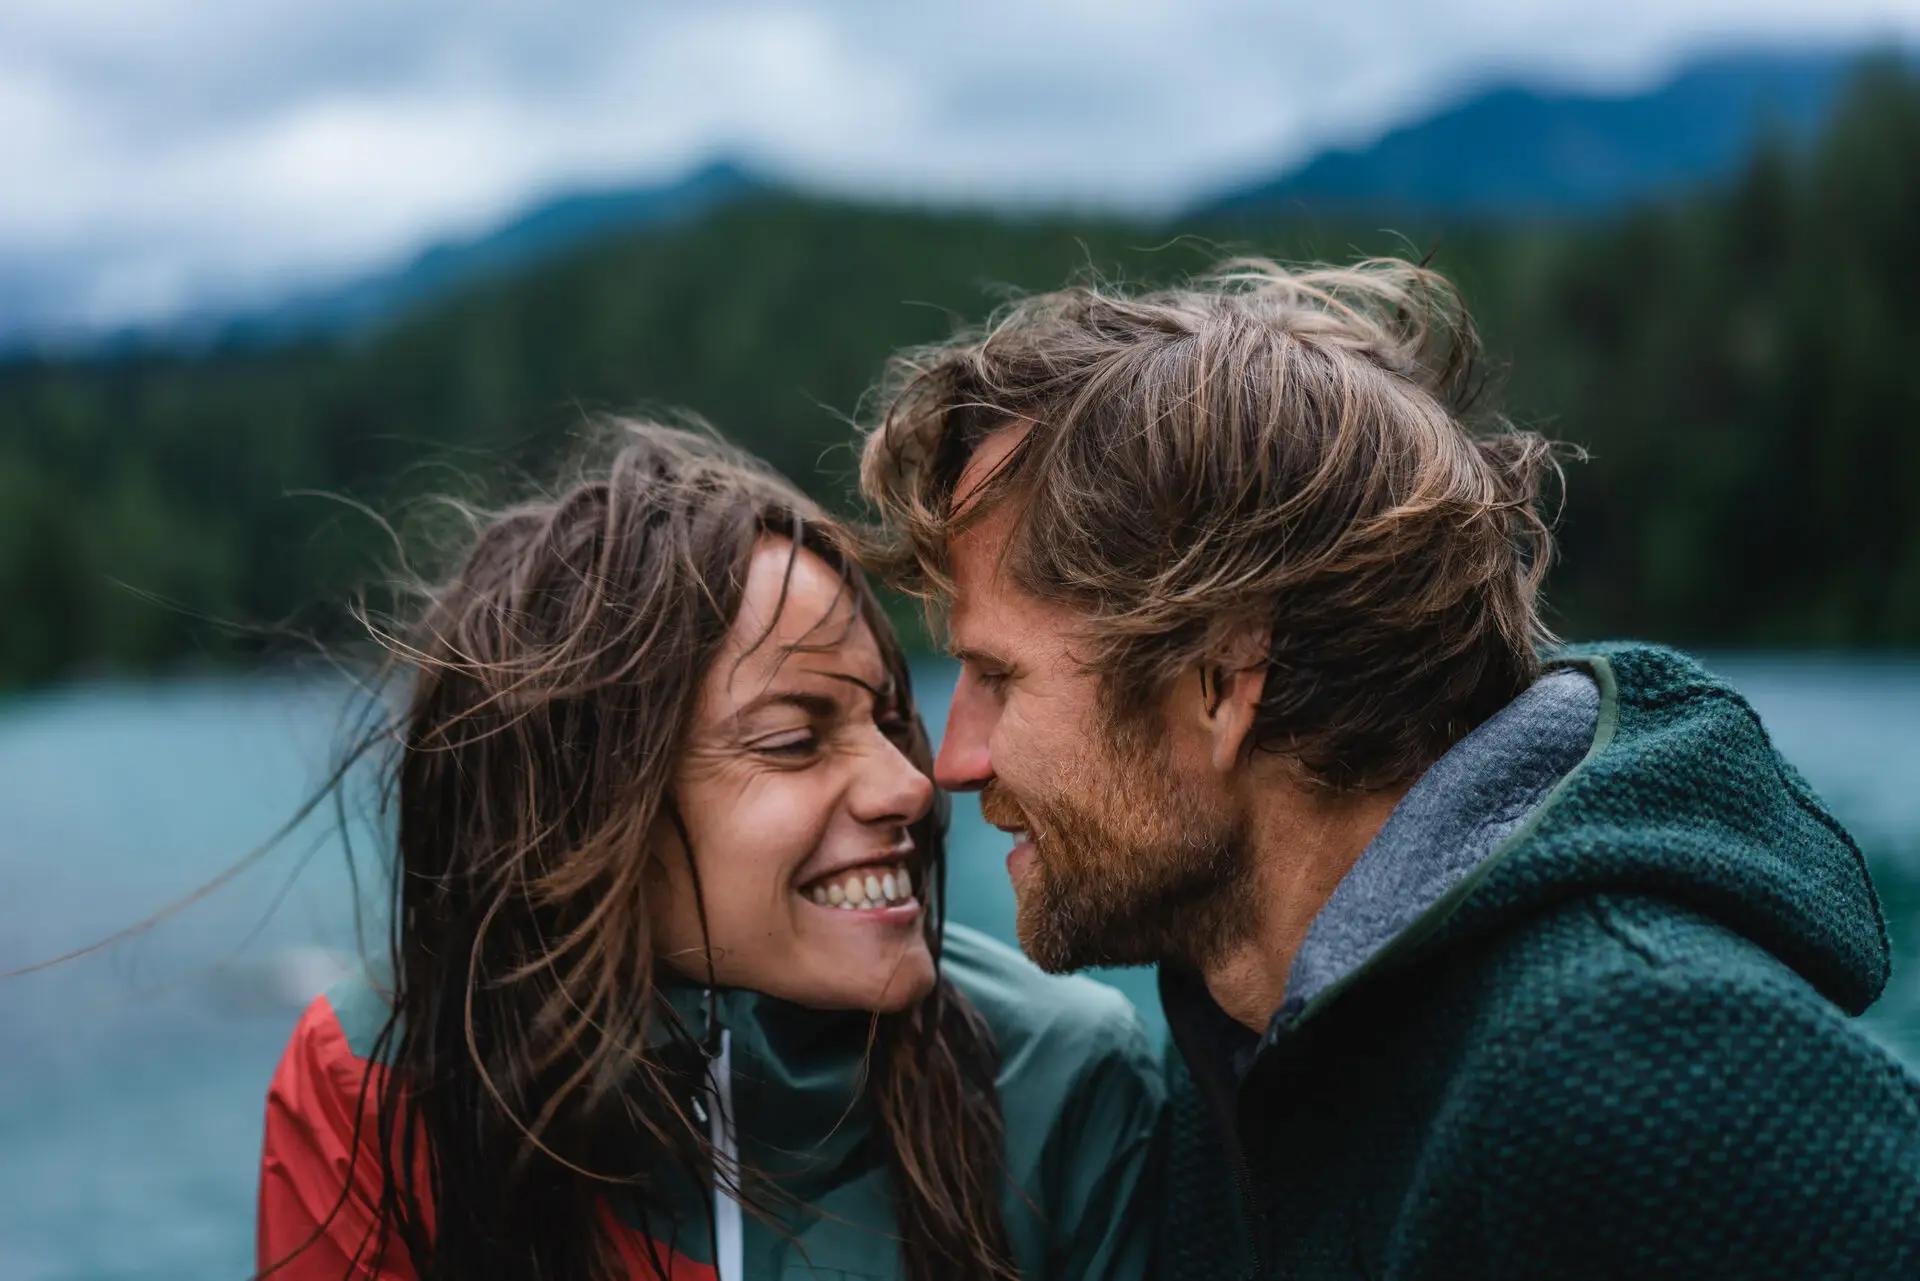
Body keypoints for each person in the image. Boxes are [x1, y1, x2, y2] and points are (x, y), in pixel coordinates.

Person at [857, 258, 1920, 1279]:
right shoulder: (1244, 1043)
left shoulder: (1653, 1077)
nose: (954, 761)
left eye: (1000, 675)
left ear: (1223, 678)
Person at [255, 422, 1163, 1281]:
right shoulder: (374, 1080)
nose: (910, 786)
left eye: (890, 721)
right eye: (794, 741)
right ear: (595, 805)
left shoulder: (1061, 1079)